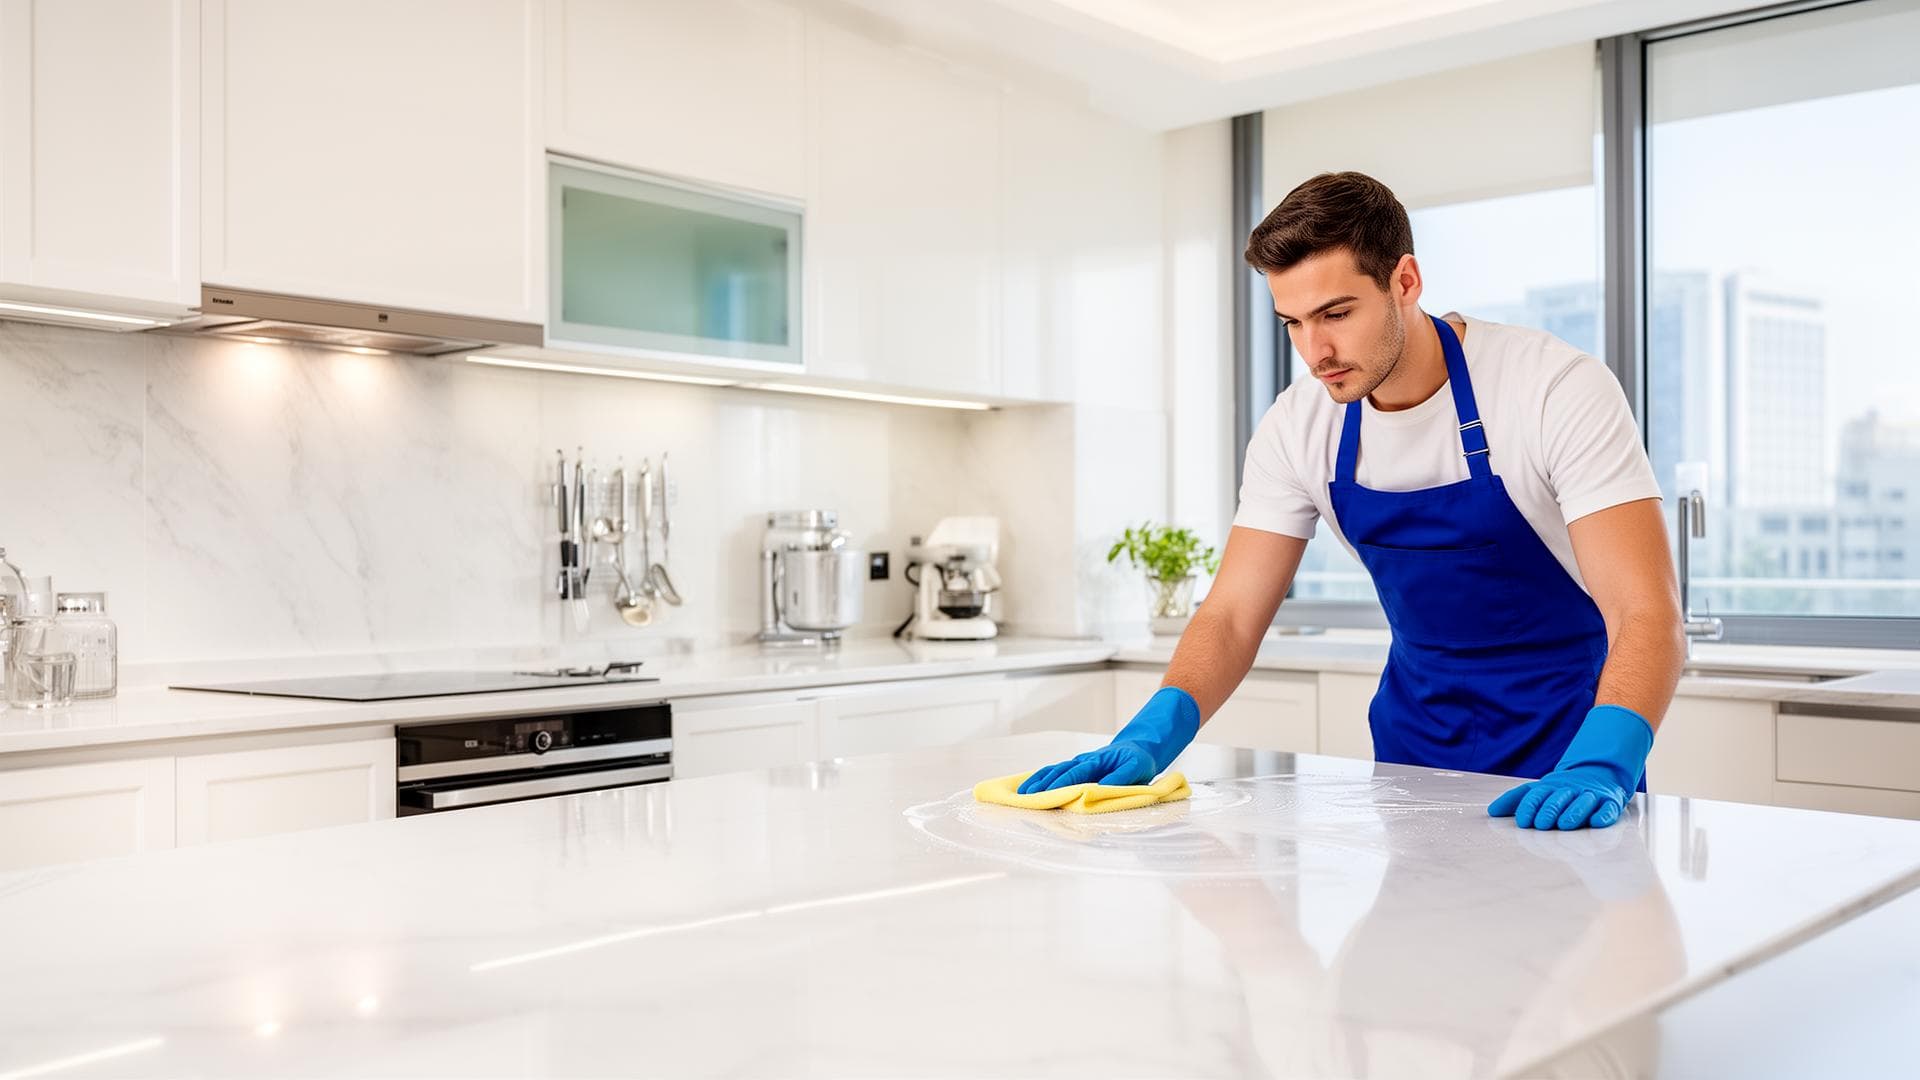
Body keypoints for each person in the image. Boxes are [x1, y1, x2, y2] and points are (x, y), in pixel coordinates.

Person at [1020, 171, 1686, 831]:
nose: (1317, 352)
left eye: (1336, 314)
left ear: (1405, 282)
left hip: (1571, 750)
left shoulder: (1552, 389)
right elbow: (1230, 615)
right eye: (1294, 324)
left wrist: (1604, 762)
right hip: (1412, 757)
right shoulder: (1299, 426)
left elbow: (1646, 612)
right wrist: (1153, 731)